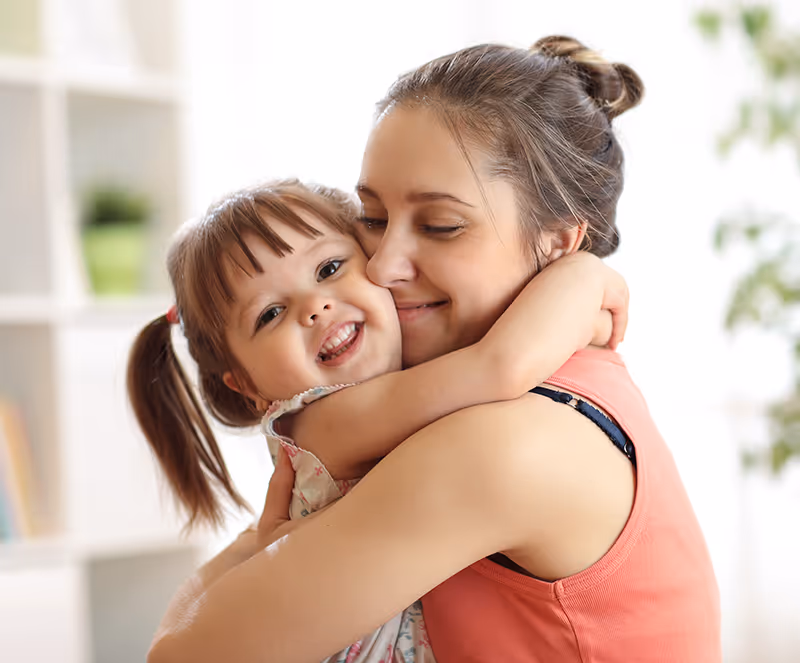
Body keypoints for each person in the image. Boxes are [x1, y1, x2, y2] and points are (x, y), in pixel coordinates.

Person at [145, 36, 721, 663]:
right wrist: (579, 278)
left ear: (559, 240)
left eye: (441, 225)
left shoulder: (501, 443)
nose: (383, 265)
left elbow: (178, 655)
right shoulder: (554, 381)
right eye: (372, 219)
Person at [128, 179, 626, 663]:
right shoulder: (322, 419)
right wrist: (582, 278)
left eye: (328, 268)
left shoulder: (409, 391)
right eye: (271, 314)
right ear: (247, 385)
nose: (315, 307)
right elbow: (497, 366)